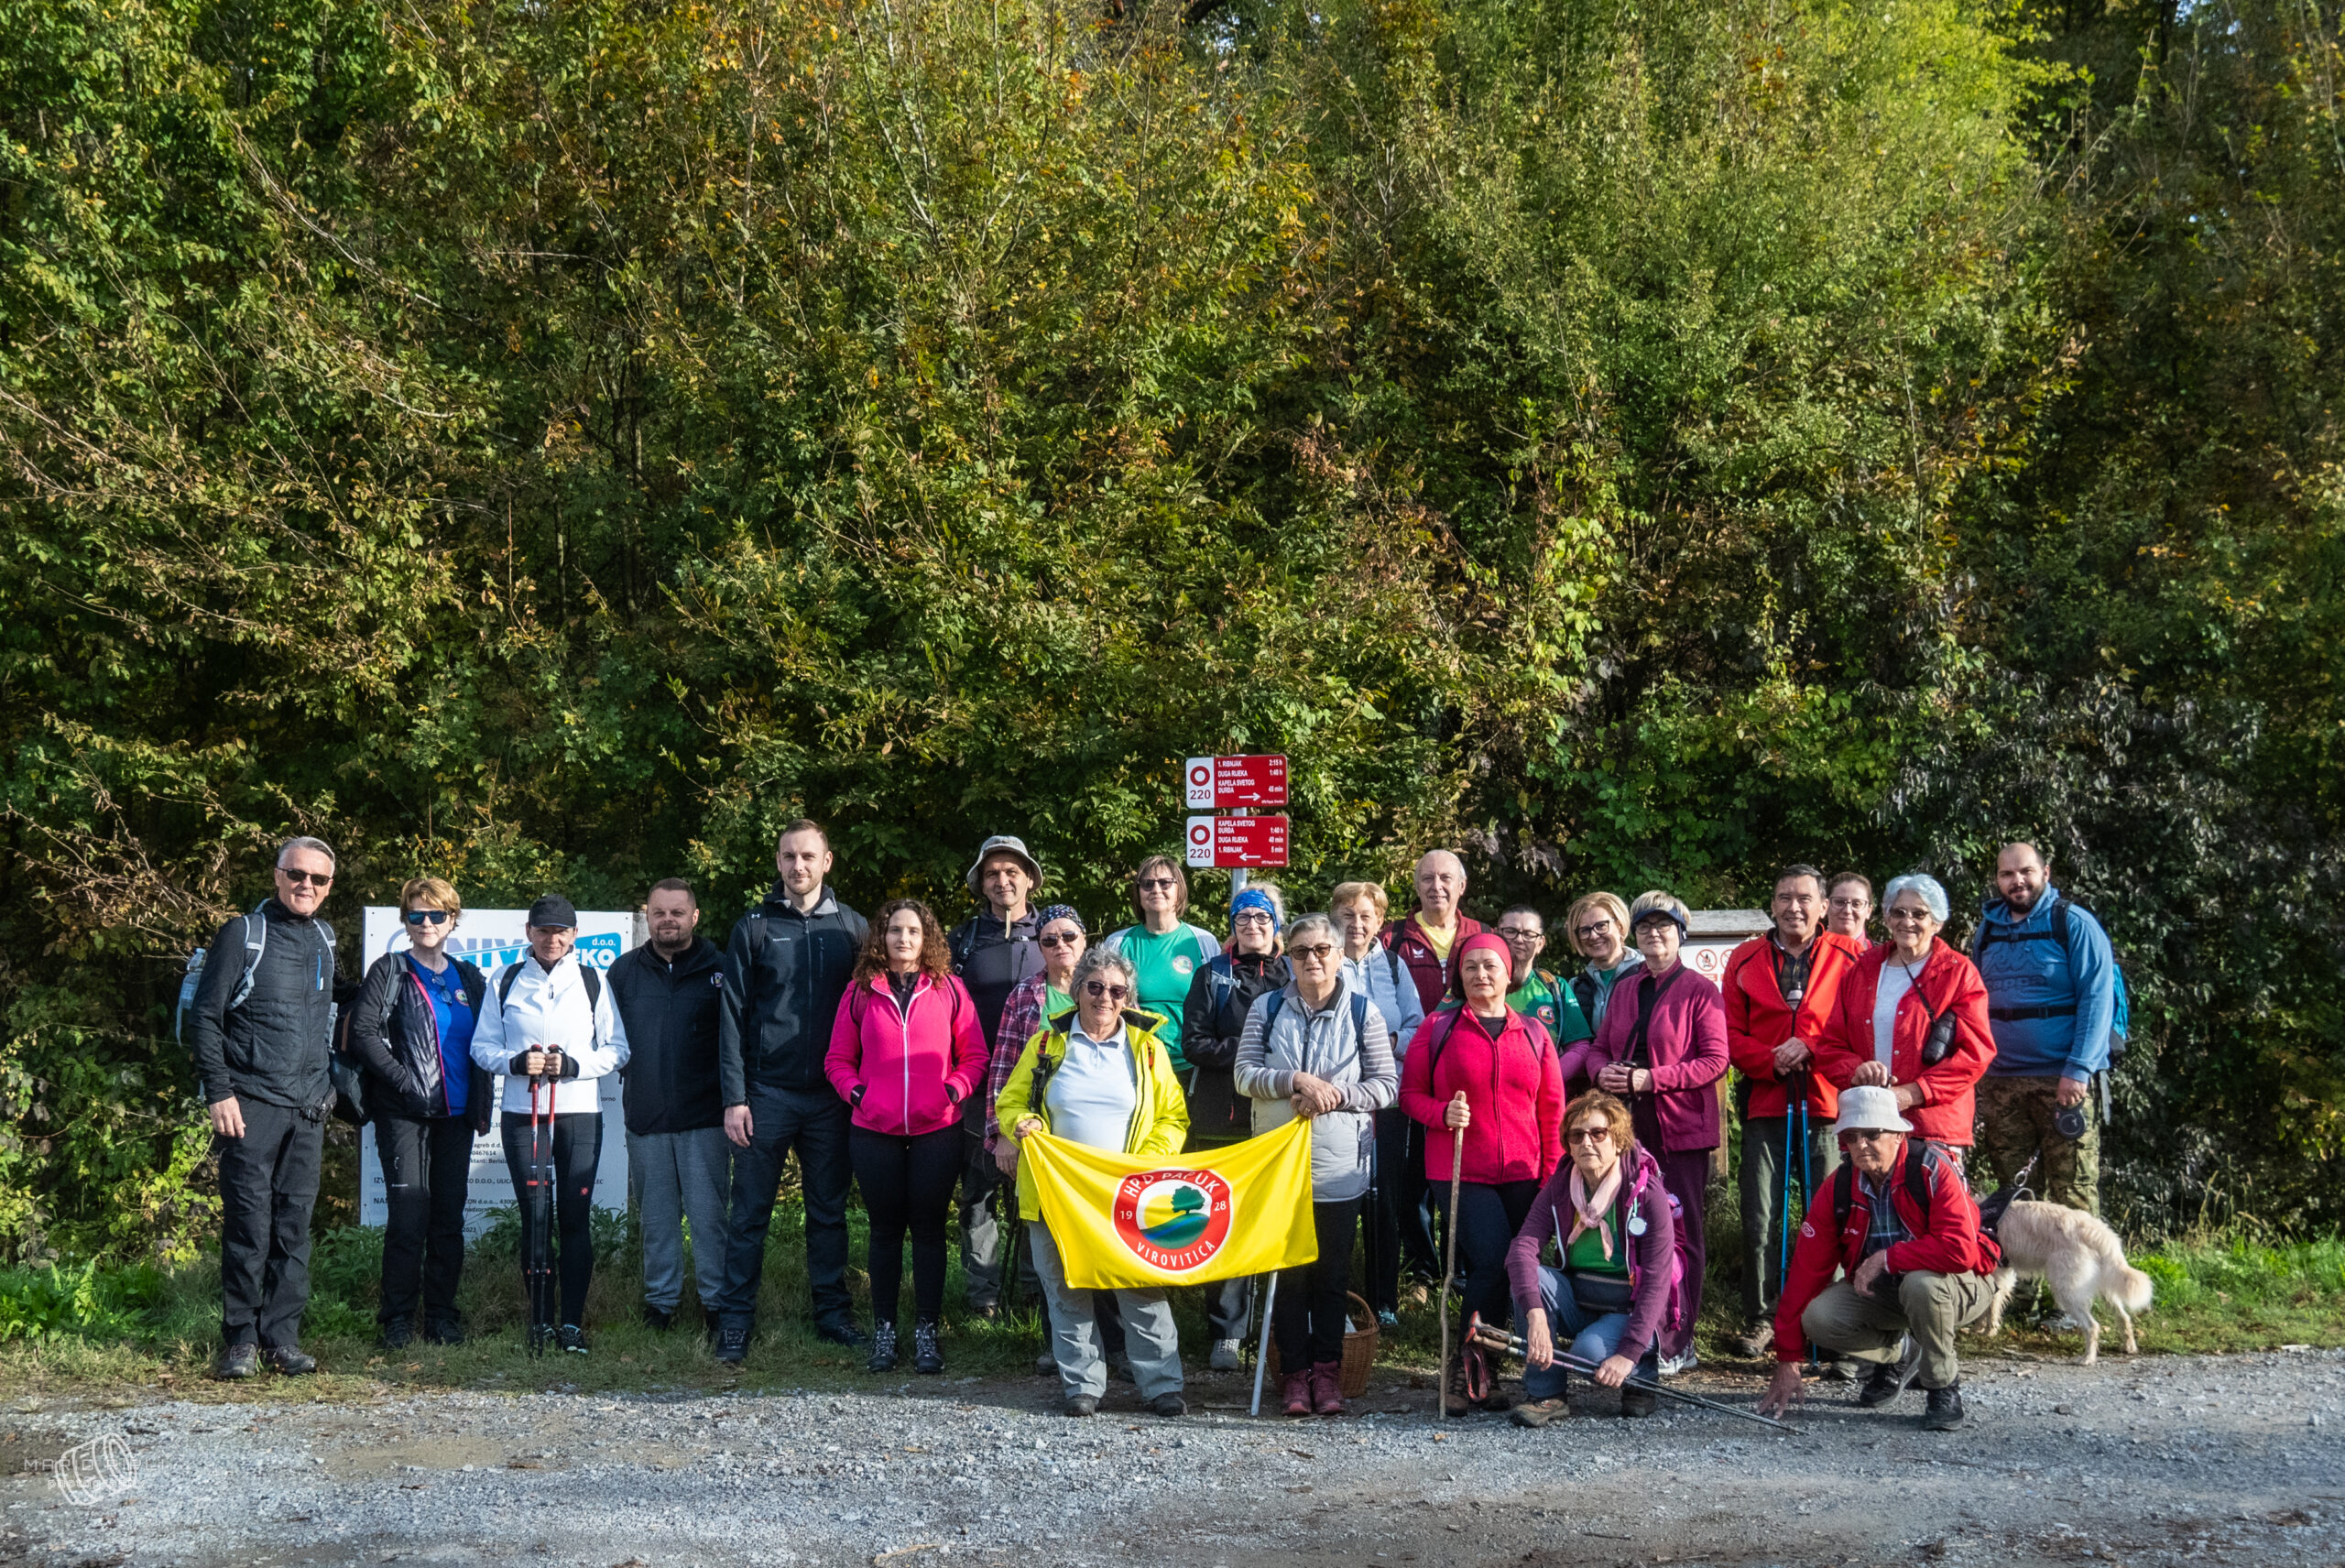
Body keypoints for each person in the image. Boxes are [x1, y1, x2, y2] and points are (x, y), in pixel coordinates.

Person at [997, 947, 1192, 1419]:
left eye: (1117, 990)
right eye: (1096, 987)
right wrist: (1023, 1124)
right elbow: (1010, 1103)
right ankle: (1082, 1384)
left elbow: (1173, 1117)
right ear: (1078, 989)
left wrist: (1143, 1163)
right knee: (1065, 1289)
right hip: (1055, 1192)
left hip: (1125, 1193)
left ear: (1128, 998)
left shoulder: (1148, 1050)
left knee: (1140, 1287)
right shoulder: (1046, 1043)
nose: (1105, 997)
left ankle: (1162, 1385)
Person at [188, 836, 347, 1378]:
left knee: (294, 1229)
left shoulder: (325, 937)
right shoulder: (242, 934)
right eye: (296, 874)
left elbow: (336, 1005)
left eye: (318, 879)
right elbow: (205, 1017)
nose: (306, 885)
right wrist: (218, 1091)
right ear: (277, 875)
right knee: (249, 1226)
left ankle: (282, 1339)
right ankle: (239, 1342)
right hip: (249, 1103)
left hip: (308, 1107)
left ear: (329, 887)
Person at [714, 820, 871, 1363]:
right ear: (777, 862)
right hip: (765, 1094)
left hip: (831, 1096)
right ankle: (735, 1321)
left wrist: (859, 1087)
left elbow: (867, 1015)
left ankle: (833, 1315)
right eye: (788, 856)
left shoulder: (852, 928)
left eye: (808, 856)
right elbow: (731, 1016)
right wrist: (735, 1097)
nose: (797, 866)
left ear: (827, 862)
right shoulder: (753, 927)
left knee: (828, 1212)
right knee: (750, 1213)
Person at [1756, 1085, 1999, 1432]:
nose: (1861, 1144)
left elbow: (1960, 1250)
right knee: (1819, 1317)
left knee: (1922, 1284)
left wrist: (1888, 1258)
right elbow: (1805, 1272)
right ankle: (1902, 1353)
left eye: (1872, 1134)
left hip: (1960, 1283)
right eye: (1852, 1136)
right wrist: (1788, 1358)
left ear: (1899, 1134)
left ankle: (1943, 1387)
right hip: (1890, 1293)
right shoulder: (1839, 1185)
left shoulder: (1933, 1170)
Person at [1557, 890, 1728, 1375]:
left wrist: (1651, 1078)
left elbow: (1715, 1061)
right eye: (1646, 927)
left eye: (1665, 927)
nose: (1655, 935)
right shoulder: (1629, 988)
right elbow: (1601, 1046)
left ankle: (1681, 1339)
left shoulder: (1699, 990)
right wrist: (1604, 1071)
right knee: (1638, 1229)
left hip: (1679, 1128)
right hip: (1630, 1127)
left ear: (1680, 934)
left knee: (1681, 1232)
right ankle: (1641, 1333)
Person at [1233, 913, 1396, 1416]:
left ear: (1340, 954)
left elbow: (1386, 1087)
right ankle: (1294, 1377)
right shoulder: (1266, 1007)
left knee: (1329, 1275)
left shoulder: (1363, 1012)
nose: (1313, 960)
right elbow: (1243, 1075)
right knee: (1288, 1277)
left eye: (1322, 950)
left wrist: (1332, 1095)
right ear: (1288, 958)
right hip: (1277, 1165)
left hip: (1338, 1168)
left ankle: (1327, 1374)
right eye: (1302, 952)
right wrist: (1295, 1082)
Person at [1399, 931, 1564, 1414]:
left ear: (1508, 972)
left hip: (1525, 1171)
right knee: (1491, 1262)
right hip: (1459, 1170)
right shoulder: (1438, 1028)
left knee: (1517, 1269)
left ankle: (1487, 1369)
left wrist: (1551, 1176)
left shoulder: (1534, 1033)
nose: (1481, 974)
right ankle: (1464, 1368)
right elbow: (1409, 1095)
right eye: (1471, 967)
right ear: (1459, 975)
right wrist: (1441, 1114)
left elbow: (1552, 1110)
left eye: (1490, 965)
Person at [828, 899, 988, 1375]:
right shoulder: (860, 992)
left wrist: (952, 1091)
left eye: (913, 931)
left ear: (926, 938)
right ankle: (884, 1331)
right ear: (881, 936)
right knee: (883, 1232)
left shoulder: (949, 989)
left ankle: (926, 1330)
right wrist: (860, 1096)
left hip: (937, 1128)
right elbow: (837, 1061)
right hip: (873, 1130)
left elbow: (974, 1056)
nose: (903, 939)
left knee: (928, 1231)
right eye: (895, 930)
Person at [472, 895, 630, 1355]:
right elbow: (482, 1048)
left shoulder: (591, 980)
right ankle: (540, 1320)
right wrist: (517, 1062)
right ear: (528, 932)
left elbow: (618, 1049)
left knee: (574, 1219)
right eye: (543, 931)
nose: (552, 939)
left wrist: (576, 1065)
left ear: (575, 935)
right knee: (535, 1219)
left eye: (561, 931)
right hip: (525, 1113)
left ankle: (573, 1323)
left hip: (579, 1112)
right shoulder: (504, 979)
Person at [1722, 866, 1864, 1359]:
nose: (1794, 907)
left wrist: (1810, 1046)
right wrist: (1772, 1058)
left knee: (1835, 1215)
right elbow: (1729, 1036)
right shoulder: (1744, 959)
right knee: (1761, 1215)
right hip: (1767, 1100)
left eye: (1805, 898)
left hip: (1831, 1103)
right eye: (1784, 897)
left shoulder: (1852, 956)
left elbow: (1858, 1025)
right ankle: (1762, 1318)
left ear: (1823, 906)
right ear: (1772, 904)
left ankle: (1837, 1324)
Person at [346, 876, 493, 1350]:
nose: (426, 923)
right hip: (403, 1113)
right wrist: (404, 1080)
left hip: (455, 1117)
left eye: (436, 914)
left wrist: (482, 1107)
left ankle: (443, 1318)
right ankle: (398, 1319)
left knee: (448, 1219)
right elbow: (364, 1034)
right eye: (416, 914)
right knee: (409, 1217)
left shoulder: (470, 978)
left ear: (453, 919)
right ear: (405, 921)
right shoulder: (390, 970)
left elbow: (484, 1047)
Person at [987, 905, 1125, 1372]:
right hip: (1048, 1152)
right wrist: (1004, 1136)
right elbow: (1004, 1071)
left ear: (1085, 941)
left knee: (1107, 1248)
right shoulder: (1025, 997)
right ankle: (1061, 1346)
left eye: (1069, 935)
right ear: (1039, 948)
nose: (1060, 944)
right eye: (1049, 939)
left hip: (1107, 1158)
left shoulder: (1116, 993)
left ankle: (1117, 1347)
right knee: (1053, 1251)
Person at [1505, 1091, 1675, 1425]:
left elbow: (1657, 1282)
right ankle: (1546, 1395)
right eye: (1577, 1135)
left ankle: (1641, 1373)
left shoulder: (1646, 1192)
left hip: (1630, 1306)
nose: (1587, 1143)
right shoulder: (1561, 1185)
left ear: (1619, 1140)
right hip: (1580, 1299)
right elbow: (1522, 1247)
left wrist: (1627, 1355)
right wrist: (1535, 1313)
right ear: (1567, 1144)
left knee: (1587, 1355)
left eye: (1598, 1133)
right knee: (1530, 1278)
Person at [606, 878, 731, 1333]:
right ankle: (661, 1304)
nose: (668, 921)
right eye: (659, 913)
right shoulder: (622, 973)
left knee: (709, 1219)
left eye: (677, 912)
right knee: (656, 1221)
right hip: (647, 1117)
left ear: (694, 917)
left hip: (707, 1117)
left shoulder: (722, 967)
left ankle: (717, 1304)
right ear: (647, 916)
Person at [1179, 883, 1290, 1371]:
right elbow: (1195, 1043)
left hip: (1280, 1118)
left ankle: (1286, 1323)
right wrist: (1250, 1058)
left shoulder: (1293, 973)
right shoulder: (1212, 975)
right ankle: (1227, 1331)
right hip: (1220, 1116)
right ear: (1232, 927)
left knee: (1280, 1218)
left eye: (1262, 919)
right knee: (1222, 1223)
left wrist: (1268, 1067)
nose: (1253, 927)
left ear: (1276, 926)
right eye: (1243, 920)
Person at [1973, 842, 2117, 1215]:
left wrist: (2080, 1068)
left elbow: (2097, 999)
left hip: (2062, 1081)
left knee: (2073, 1194)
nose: (2017, 881)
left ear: (2045, 873)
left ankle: (2088, 1275)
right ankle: (2026, 1274)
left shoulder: (2073, 924)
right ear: (1997, 881)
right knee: (2015, 1198)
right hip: (2001, 1081)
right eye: (2007, 874)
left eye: (2025, 872)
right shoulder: (1988, 930)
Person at [1813, 874, 1995, 1163]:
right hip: (1868, 1125)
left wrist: (1913, 1093)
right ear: (1886, 918)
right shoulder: (1861, 971)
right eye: (1898, 912)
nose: (1907, 921)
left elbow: (1975, 1054)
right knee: (1870, 1208)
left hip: (1931, 1127)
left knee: (1931, 1207)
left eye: (1919, 913)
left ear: (1937, 922)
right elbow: (1830, 1045)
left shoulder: (1959, 974)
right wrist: (1855, 1070)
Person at [947, 834, 1046, 1317]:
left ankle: (1033, 1289)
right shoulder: (961, 941)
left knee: (1035, 1191)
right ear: (980, 883)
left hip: (1043, 1090)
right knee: (979, 1193)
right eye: (992, 873)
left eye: (1012, 871)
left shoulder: (1053, 935)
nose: (1002, 880)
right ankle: (982, 1295)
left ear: (1029, 878)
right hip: (977, 1085)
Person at [1332, 881, 1427, 1325]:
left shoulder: (1393, 965)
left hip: (1387, 1096)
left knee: (1384, 1196)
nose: (1357, 923)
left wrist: (1389, 1040)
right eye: (1348, 915)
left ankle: (1383, 1299)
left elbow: (1417, 1025)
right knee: (1337, 1199)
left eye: (1366, 915)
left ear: (1379, 921)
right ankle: (1336, 1298)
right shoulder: (1322, 959)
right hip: (1338, 1099)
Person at [1101, 855, 1221, 1073]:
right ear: (1138, 893)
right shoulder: (1118, 943)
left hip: (1193, 1065)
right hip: (1135, 1063)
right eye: (1147, 884)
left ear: (1179, 890)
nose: (1156, 889)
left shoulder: (1203, 941)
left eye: (1165, 883)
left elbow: (1218, 1005)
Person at [1382, 851, 1482, 1015]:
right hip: (1412, 1039)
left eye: (1445, 878)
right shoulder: (1392, 939)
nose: (1436, 886)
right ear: (1417, 887)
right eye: (1428, 878)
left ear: (1462, 886)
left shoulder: (1482, 936)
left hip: (1468, 1038)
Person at [1493, 906, 1595, 1054]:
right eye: (1510, 932)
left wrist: (1550, 1076)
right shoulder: (1474, 982)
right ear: (1496, 934)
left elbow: (1579, 1046)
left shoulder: (1555, 987)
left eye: (1529, 934)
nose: (1519, 939)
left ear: (1540, 943)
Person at [1563, 891, 1642, 1040]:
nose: (1593, 935)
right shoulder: (1575, 987)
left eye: (1601, 926)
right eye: (1585, 930)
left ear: (1619, 925)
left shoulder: (1647, 974)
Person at [1827, 873, 1876, 945]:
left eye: (1856, 904)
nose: (1847, 910)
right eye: (1839, 902)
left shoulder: (1883, 955)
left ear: (1869, 911)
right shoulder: (1807, 951)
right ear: (1826, 906)